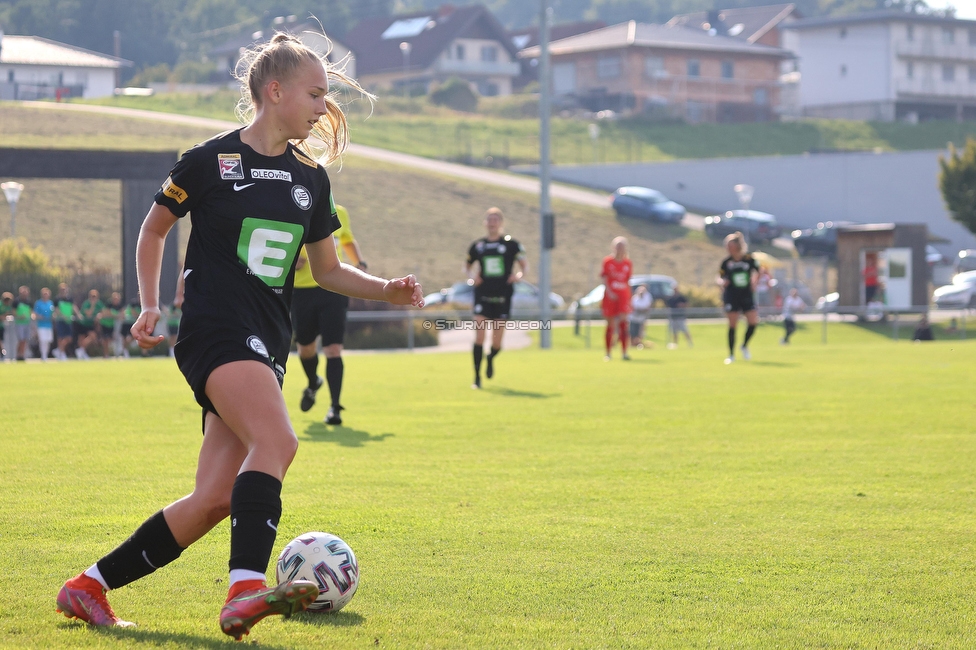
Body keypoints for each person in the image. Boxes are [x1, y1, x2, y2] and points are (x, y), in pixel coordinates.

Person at [55, 31, 424, 640]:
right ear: (273, 91)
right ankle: (245, 589)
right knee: (277, 442)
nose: (323, 106)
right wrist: (150, 303)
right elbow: (153, 231)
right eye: (315, 93)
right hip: (216, 329)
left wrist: (386, 289)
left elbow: (327, 271)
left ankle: (88, 586)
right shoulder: (209, 161)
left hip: (266, 341)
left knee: (215, 498)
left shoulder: (311, 179)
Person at [292, 203, 367, 424]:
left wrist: (360, 263)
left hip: (334, 289)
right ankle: (313, 382)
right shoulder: (293, 207)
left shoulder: (340, 211)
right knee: (305, 349)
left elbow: (347, 239)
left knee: (333, 349)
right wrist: (291, 259)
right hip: (301, 292)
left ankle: (335, 408)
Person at [465, 207, 527, 388]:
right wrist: (472, 277)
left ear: (501, 223)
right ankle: (477, 378)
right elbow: (467, 266)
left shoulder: (511, 245)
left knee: (497, 342)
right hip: (482, 295)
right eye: (489, 219)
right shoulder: (478, 246)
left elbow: (524, 266)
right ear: (485, 223)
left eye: (495, 220)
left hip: (503, 296)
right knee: (479, 337)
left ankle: (491, 357)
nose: (492, 223)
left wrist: (518, 276)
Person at [718, 232, 760, 364]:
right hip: (732, 295)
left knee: (753, 322)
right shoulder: (726, 262)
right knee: (732, 324)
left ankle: (744, 345)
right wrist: (721, 283)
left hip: (746, 294)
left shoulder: (748, 258)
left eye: (730, 245)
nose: (728, 248)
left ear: (737, 246)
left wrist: (755, 282)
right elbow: (720, 276)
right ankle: (731, 354)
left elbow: (760, 270)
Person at [601, 236, 632, 360]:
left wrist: (629, 297)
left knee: (624, 324)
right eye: (618, 246)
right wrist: (609, 292)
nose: (620, 249)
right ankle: (608, 353)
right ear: (613, 247)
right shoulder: (607, 261)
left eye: (622, 246)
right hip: (610, 297)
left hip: (623, 296)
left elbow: (627, 281)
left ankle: (624, 352)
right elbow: (605, 279)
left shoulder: (628, 263)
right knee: (610, 325)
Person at [54, 283, 79, 361]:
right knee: (60, 337)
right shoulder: (57, 299)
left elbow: (73, 307)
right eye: (62, 290)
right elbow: (56, 310)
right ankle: (61, 353)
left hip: (68, 321)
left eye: (65, 289)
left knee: (69, 338)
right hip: (61, 320)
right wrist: (63, 316)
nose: (63, 291)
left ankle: (59, 350)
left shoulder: (69, 299)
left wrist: (78, 314)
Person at [76, 289, 102, 359]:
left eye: (95, 296)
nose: (94, 298)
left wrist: (99, 315)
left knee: (93, 337)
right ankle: (82, 353)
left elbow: (103, 311)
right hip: (83, 323)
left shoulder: (99, 303)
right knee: (81, 339)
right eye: (92, 296)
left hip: (90, 324)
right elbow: (88, 314)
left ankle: (81, 351)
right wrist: (92, 305)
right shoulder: (86, 303)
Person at [97, 292, 124, 358]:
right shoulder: (108, 304)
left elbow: (123, 315)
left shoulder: (119, 306)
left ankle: (116, 354)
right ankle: (106, 355)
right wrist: (116, 315)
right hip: (105, 324)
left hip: (112, 326)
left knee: (112, 339)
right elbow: (106, 313)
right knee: (105, 340)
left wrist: (114, 315)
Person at [11, 285, 33, 361]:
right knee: (21, 340)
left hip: (27, 323)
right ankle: (18, 355)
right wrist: (20, 317)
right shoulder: (16, 301)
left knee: (25, 340)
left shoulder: (29, 302)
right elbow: (13, 312)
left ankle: (22, 355)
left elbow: (30, 312)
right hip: (19, 323)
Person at [33, 287, 55, 360]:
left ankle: (46, 354)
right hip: (41, 325)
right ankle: (43, 355)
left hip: (49, 325)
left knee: (48, 340)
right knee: (43, 340)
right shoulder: (38, 303)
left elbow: (53, 313)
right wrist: (40, 317)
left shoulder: (50, 303)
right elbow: (35, 313)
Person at [629, 285, 652, 349]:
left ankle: (638, 344)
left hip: (641, 318)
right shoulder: (634, 298)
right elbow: (633, 307)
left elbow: (646, 307)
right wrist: (640, 309)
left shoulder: (646, 299)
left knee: (640, 332)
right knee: (632, 332)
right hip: (633, 318)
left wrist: (641, 309)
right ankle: (632, 344)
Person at [0, 291, 12, 360]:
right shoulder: (0, 305)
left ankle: (2, 351)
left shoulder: (7, 306)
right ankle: (2, 350)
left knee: (1, 339)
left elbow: (6, 315)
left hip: (1, 325)